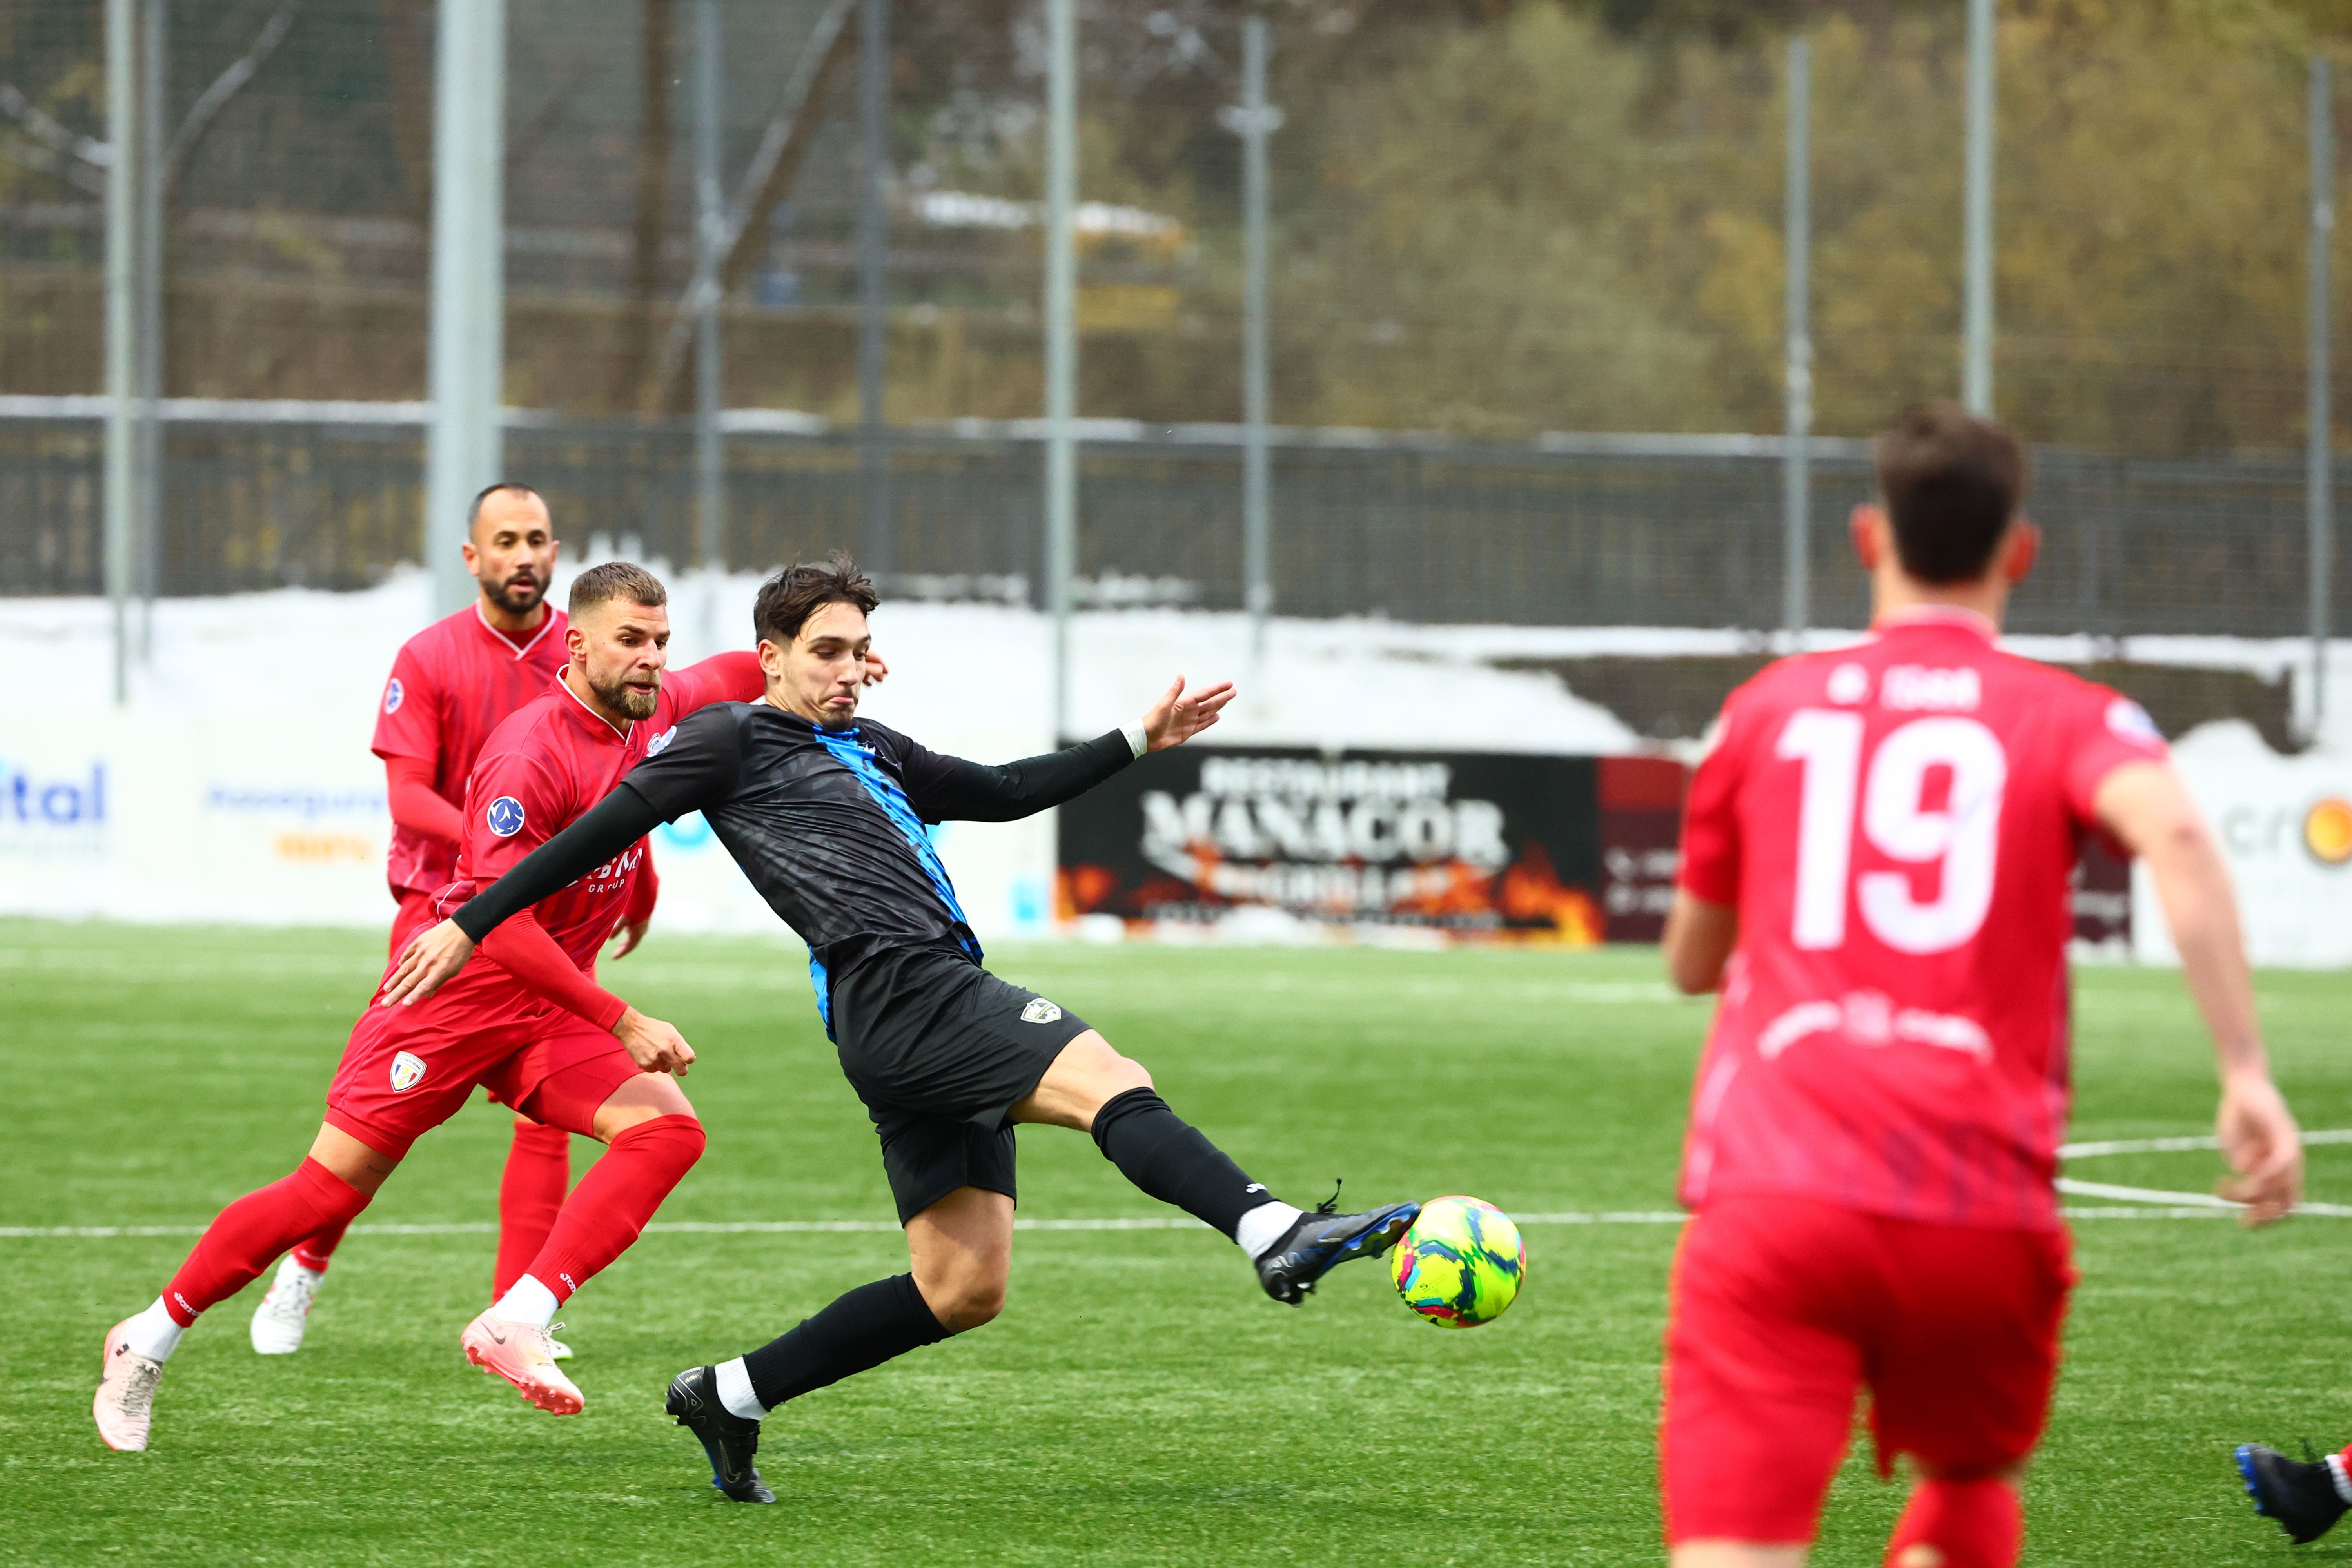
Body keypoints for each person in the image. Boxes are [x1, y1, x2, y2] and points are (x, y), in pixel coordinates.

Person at [379, 554, 1422, 1504]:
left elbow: (1005, 793)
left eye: (860, 651)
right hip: (908, 993)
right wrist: (471, 921)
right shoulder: (729, 740)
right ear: (769, 660)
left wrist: (1138, 739)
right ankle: (1274, 1231)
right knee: (1108, 1074)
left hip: (909, 1013)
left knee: (963, 1287)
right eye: (825, 652)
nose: (848, 669)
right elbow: (605, 826)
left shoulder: (873, 743)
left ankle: (731, 1395)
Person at [1654, 402, 2302, 1568]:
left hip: (1778, 1201)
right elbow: (2183, 843)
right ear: (2021, 551)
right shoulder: (2073, 716)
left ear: (1868, 538)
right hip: (1976, 1210)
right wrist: (2245, 1071)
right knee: (1967, 1481)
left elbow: (1692, 964)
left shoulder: (1768, 711)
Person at [93, 563, 768, 1452]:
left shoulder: (648, 705)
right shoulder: (533, 751)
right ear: (578, 645)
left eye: (659, 641)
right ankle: (148, 1335)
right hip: (454, 1001)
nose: (652, 660)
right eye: (631, 641)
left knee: (669, 1133)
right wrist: (621, 1016)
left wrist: (813, 656)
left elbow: (736, 673)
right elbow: (495, 921)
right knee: (323, 1192)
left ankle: (517, 1316)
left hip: (545, 1012)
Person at [247, 482, 886, 1359]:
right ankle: (304, 1268)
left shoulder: (602, 644)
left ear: (557, 555)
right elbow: (410, 798)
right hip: (445, 923)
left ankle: (520, 1312)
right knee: (362, 1151)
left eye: (538, 538)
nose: (523, 554)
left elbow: (674, 725)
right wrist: (545, 852)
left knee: (555, 1119)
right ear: (472, 557)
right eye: (504, 539)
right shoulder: (432, 655)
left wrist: (823, 663)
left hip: (554, 925)